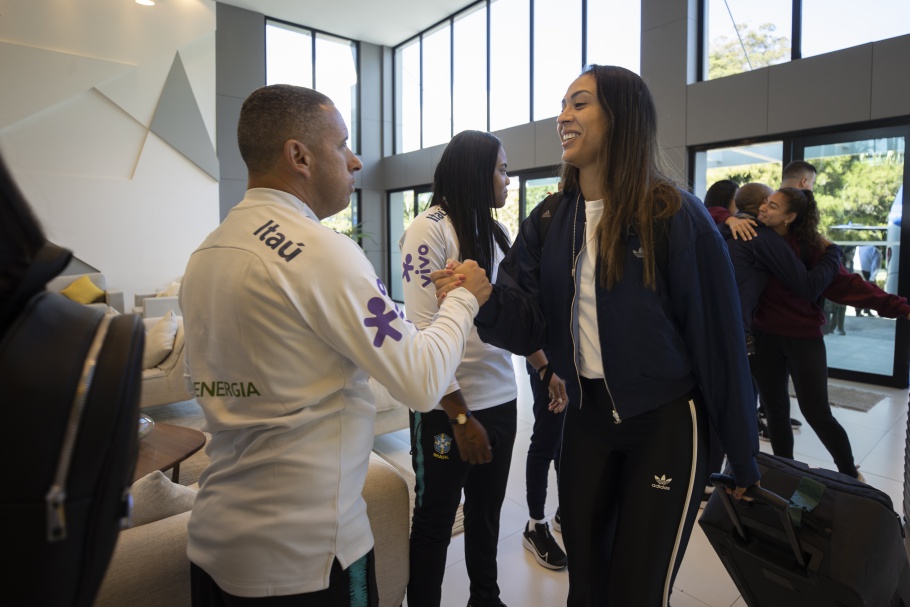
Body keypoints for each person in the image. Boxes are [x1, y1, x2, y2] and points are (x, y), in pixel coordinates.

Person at [434, 65, 759, 606]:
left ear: (623, 117)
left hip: (666, 422)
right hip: (586, 417)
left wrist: (744, 457)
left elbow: (720, 346)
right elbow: (528, 321)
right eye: (563, 104)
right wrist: (486, 299)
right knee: (585, 583)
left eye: (580, 103)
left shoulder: (675, 216)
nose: (564, 116)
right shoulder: (551, 218)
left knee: (636, 588)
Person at [179, 84, 492, 606]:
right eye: (341, 144)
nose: (355, 160)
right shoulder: (323, 253)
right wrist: (463, 299)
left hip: (216, 545)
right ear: (298, 156)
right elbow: (420, 381)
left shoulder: (207, 253)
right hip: (308, 560)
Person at [399, 130, 568, 607]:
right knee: (434, 518)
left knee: (487, 513)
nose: (508, 180)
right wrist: (458, 417)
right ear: (477, 172)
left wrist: (542, 367)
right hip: (446, 407)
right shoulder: (427, 229)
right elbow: (422, 332)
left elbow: (508, 315)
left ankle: (485, 598)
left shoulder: (495, 233)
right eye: (502, 169)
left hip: (500, 400)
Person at [750, 187, 910, 480]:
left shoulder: (814, 249)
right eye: (764, 202)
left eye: (772, 205)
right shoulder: (754, 236)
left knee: (817, 413)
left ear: (791, 216)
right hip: (765, 337)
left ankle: (849, 473)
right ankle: (785, 472)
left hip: (804, 338)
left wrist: (899, 306)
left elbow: (851, 286)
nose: (763, 208)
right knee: (775, 411)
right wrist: (732, 219)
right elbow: (717, 213)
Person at [854, 244, 883, 316]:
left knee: (859, 292)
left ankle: (858, 311)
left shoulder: (861, 248)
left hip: (857, 270)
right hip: (867, 272)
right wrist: (872, 279)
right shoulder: (876, 251)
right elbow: (875, 265)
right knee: (869, 292)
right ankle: (867, 309)